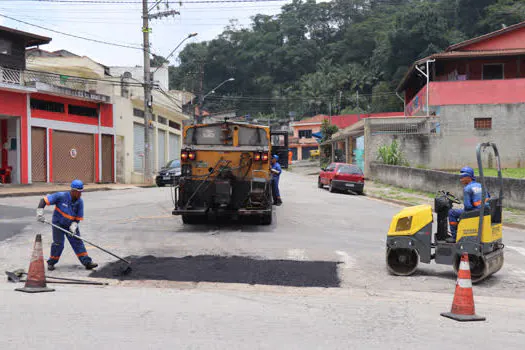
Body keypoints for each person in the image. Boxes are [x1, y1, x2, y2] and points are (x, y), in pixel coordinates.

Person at [36, 179, 98, 271]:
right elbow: (43, 201)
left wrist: (74, 226)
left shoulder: (80, 202)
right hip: (58, 224)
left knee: (78, 242)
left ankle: (87, 262)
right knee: (58, 244)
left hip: (70, 225)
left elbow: (78, 218)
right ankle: (51, 263)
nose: (80, 194)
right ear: (73, 191)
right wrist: (40, 213)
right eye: (78, 192)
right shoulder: (61, 196)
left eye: (81, 192)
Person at [447, 166, 488, 243]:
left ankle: (455, 237)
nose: (461, 179)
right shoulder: (481, 185)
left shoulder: (467, 188)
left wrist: (463, 216)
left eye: (463, 177)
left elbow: (468, 206)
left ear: (469, 177)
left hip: (475, 212)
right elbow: (487, 197)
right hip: (483, 211)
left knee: (452, 212)